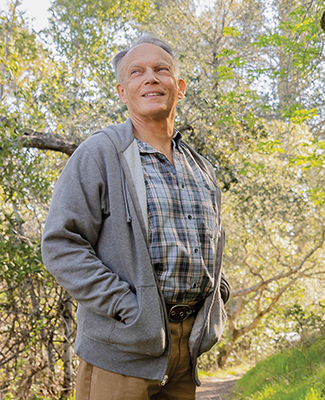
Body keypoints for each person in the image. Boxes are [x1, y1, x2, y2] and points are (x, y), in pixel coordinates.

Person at [41, 34, 229, 400]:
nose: (151, 78)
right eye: (137, 72)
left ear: (180, 87)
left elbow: (213, 247)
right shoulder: (100, 153)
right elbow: (61, 245)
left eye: (162, 70)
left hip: (185, 352)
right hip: (120, 351)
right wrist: (129, 308)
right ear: (122, 91)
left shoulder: (201, 168)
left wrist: (216, 298)